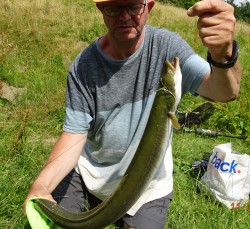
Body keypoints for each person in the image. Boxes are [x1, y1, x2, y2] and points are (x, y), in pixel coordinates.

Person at [23, 0, 242, 228]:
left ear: (149, 6)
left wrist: (224, 55)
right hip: (90, 175)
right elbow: (73, 136)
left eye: (134, 6)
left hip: (148, 186)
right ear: (101, 10)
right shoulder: (83, 66)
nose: (125, 16)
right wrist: (41, 185)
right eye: (114, 7)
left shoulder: (166, 47)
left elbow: (225, 92)